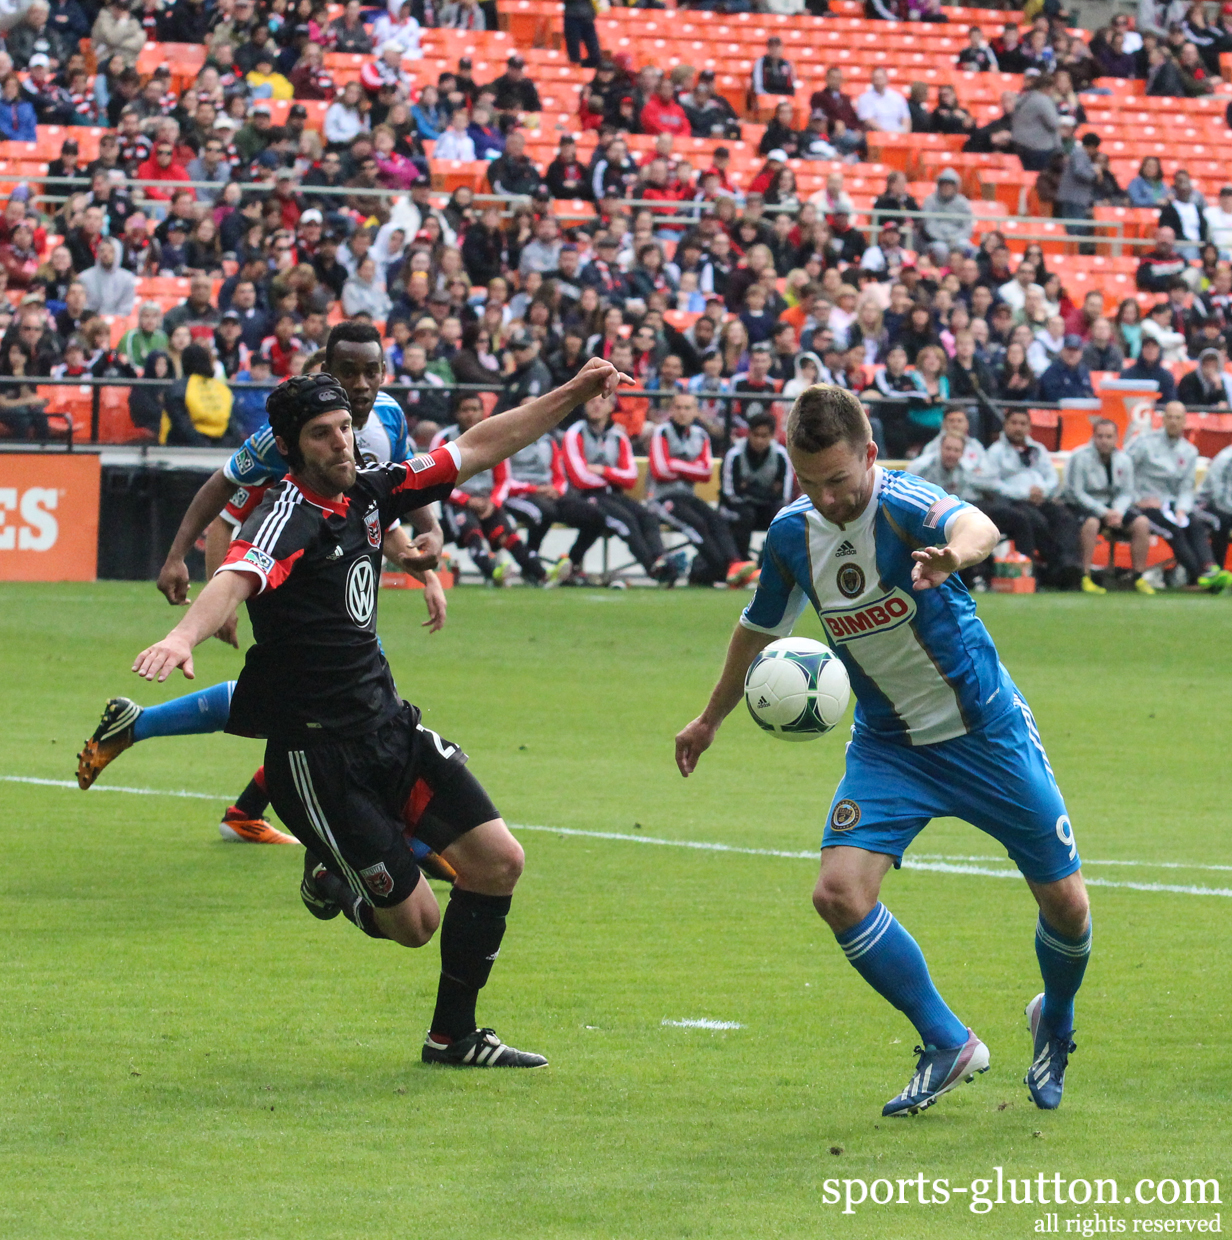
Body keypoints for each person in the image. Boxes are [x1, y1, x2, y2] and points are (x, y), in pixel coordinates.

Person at [130, 357, 631, 1070]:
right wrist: (182, 636)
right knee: (417, 925)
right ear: (295, 447)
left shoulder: (372, 492)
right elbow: (236, 576)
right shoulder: (286, 516)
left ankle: (453, 1038)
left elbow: (482, 444)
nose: (342, 443)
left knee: (498, 864)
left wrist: (576, 393)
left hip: (390, 727)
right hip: (316, 759)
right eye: (324, 435)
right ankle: (331, 876)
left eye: (345, 429)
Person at [675, 385, 1090, 1117]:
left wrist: (950, 558)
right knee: (837, 893)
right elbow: (756, 629)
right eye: (811, 483)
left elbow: (980, 526)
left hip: (985, 733)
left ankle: (1053, 1017)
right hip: (891, 746)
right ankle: (948, 1041)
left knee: (1067, 908)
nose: (829, 498)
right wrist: (710, 719)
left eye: (839, 480)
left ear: (869, 455)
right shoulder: (790, 536)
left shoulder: (904, 505)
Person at [79, 324, 450, 846]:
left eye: (372, 371)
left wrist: (427, 557)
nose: (362, 384)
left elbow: (397, 493)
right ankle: (394, 837)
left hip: (344, 574)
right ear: (328, 372)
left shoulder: (388, 417)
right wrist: (188, 566)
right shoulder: (295, 432)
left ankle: (239, 801)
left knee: (306, 702)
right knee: (345, 701)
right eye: (348, 373)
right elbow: (225, 499)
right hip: (284, 576)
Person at [562, 393, 681, 586]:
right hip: (584, 497)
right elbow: (579, 478)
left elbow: (631, 477)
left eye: (602, 402)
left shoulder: (618, 436)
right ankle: (652, 568)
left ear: (611, 407)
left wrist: (602, 471)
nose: (596, 406)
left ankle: (660, 558)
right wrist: (614, 476)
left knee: (647, 516)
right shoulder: (574, 433)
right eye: (591, 401)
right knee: (625, 521)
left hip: (613, 494)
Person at [431, 394, 547, 585]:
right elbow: (435, 479)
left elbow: (503, 479)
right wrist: (466, 500)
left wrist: (493, 503)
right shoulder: (443, 440)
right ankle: (493, 572)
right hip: (456, 501)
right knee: (472, 531)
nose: (470, 414)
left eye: (474, 409)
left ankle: (541, 573)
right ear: (456, 413)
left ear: (482, 412)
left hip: (487, 501)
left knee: (505, 534)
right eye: (465, 410)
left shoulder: (493, 438)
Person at [648, 392, 753, 588]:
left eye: (687, 408)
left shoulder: (701, 435)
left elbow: (705, 473)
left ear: (696, 411)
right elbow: (660, 470)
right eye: (678, 407)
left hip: (688, 496)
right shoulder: (661, 432)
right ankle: (723, 572)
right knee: (697, 524)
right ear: (672, 410)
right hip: (663, 499)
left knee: (716, 519)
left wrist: (675, 465)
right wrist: (690, 467)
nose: (682, 412)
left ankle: (734, 564)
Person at [976, 408, 1083, 589]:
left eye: (1023, 424)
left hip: (1040, 498)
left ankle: (1068, 564)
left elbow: (1052, 477)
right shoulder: (996, 452)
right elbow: (990, 483)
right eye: (1014, 423)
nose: (1018, 428)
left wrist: (1042, 491)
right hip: (1013, 502)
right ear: (1005, 425)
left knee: (1065, 518)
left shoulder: (1038, 450)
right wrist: (1024, 493)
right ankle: (1048, 568)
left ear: (1029, 428)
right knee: (1035, 520)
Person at [1127, 400, 1230, 588]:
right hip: (1146, 504)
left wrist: (1182, 509)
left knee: (1194, 523)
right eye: (1170, 417)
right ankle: (1200, 576)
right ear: (1163, 419)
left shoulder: (1189, 451)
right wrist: (1136, 500)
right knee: (1174, 530)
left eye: (1178, 418)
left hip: (1172, 504)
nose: (1173, 421)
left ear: (1184, 422)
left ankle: (1210, 568)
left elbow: (1186, 487)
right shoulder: (1144, 444)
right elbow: (1124, 471)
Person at [1062, 418, 1155, 595]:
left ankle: (1138, 577)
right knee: (1091, 524)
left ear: (1116, 438)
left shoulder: (1124, 459)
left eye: (1109, 436)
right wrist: (1104, 512)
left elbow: (1127, 492)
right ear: (1093, 437)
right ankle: (1085, 576)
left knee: (1142, 523)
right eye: (1100, 436)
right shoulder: (1080, 457)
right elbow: (1077, 492)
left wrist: (1117, 512)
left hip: (1114, 506)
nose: (1104, 440)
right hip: (1086, 505)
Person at [503, 425, 605, 585]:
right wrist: (535, 489)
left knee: (595, 516)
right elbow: (504, 479)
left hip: (549, 493)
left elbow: (559, 476)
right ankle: (531, 567)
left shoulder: (548, 441)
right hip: (518, 495)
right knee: (544, 513)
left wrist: (556, 489)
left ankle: (571, 565)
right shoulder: (507, 442)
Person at [719, 411, 793, 561]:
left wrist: (748, 489)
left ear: (772, 436)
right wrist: (766, 492)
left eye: (764, 436)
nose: (759, 440)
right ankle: (739, 562)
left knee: (782, 516)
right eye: (756, 435)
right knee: (746, 515)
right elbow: (730, 494)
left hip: (765, 508)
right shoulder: (734, 455)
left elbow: (783, 496)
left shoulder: (781, 455)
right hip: (735, 509)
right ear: (748, 434)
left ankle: (771, 561)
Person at [1196, 442, 1232, 577]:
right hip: (1207, 504)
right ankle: (1217, 573)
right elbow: (1218, 494)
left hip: (1226, 506)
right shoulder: (1227, 458)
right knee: (1221, 521)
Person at [1038, 334, 1094, 402]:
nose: (1072, 354)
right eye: (1069, 350)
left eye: (1075, 350)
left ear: (1081, 353)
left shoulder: (1084, 370)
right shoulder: (1052, 372)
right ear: (1062, 351)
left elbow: (1089, 393)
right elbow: (1054, 398)